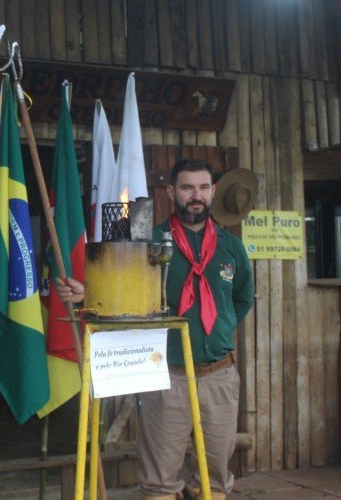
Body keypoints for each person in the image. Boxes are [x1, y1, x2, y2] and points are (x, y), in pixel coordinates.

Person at [140, 159, 254, 500]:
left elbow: (242, 299)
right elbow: (126, 293)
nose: (196, 196)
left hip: (219, 374)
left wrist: (219, 328)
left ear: (213, 192)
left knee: (215, 475)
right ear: (172, 192)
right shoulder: (150, 241)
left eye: (203, 188)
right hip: (167, 374)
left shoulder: (230, 246)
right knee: (160, 477)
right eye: (188, 188)